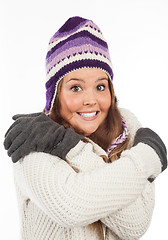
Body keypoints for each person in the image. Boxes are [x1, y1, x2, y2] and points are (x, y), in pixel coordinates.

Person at [4, 16, 167, 240]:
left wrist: (70, 147)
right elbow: (72, 206)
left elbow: (135, 224)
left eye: (100, 86)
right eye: (76, 87)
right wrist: (149, 157)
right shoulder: (32, 142)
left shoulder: (126, 129)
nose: (90, 99)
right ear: (55, 96)